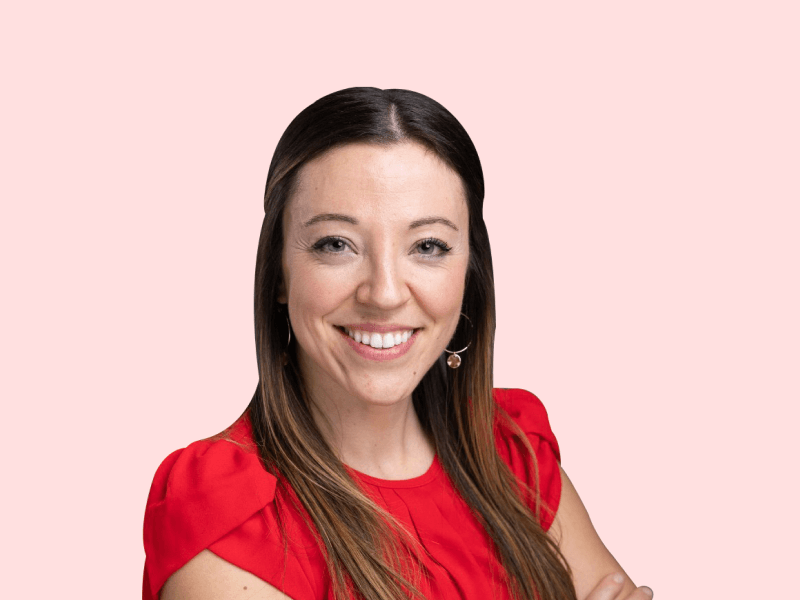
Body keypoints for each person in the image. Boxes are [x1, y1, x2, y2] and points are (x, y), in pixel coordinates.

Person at [142, 87, 653, 600]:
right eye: (336, 244)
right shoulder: (223, 509)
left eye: (428, 246)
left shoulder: (514, 452)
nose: (384, 294)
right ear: (279, 272)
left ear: (468, 271)